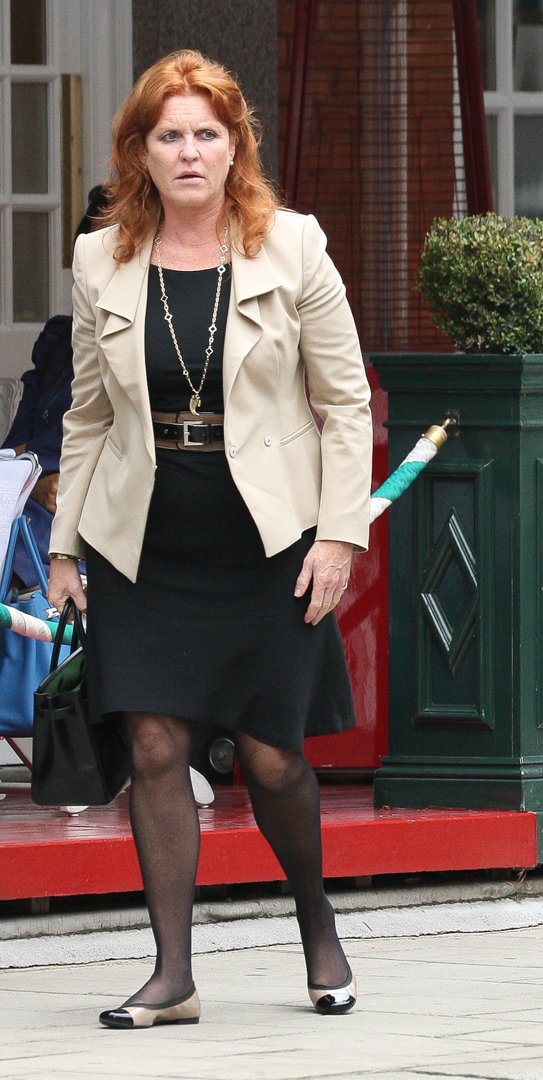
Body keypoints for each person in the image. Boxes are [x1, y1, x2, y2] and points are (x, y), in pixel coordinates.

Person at [47, 50, 373, 1028]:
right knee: (153, 744)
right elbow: (89, 417)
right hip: (143, 537)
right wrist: (65, 547)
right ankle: (173, 973)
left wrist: (338, 536)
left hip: (268, 538)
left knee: (271, 756)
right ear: (138, 153)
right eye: (169, 135)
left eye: (206, 134)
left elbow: (345, 402)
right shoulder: (100, 259)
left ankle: (316, 922)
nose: (188, 152)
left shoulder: (295, 248)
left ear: (237, 147)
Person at [1, 186, 110, 585]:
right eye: (91, 258)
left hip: (90, 530)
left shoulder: (152, 353)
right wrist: (36, 482)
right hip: (29, 513)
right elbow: (13, 450)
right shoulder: (60, 343)